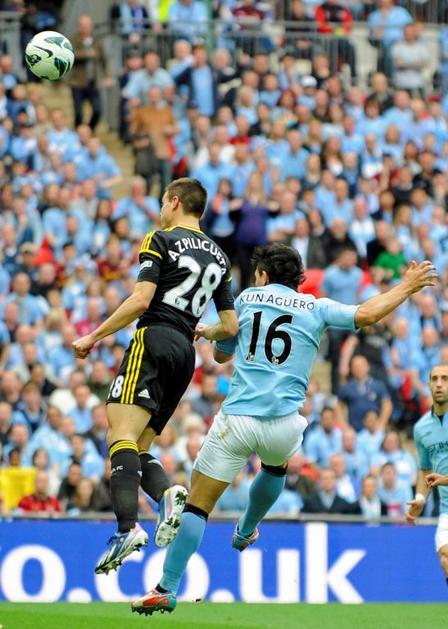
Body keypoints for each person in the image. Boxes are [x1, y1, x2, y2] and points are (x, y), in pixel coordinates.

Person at [131, 244, 437, 616]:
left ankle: (167, 587)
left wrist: (212, 333)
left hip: (238, 420)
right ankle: (246, 529)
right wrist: (406, 286)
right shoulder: (316, 307)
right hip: (283, 424)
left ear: (262, 274)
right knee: (276, 467)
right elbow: (367, 313)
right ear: (299, 280)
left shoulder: (246, 298)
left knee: (197, 505)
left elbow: (223, 354)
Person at [72, 177, 237, 575]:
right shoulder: (220, 257)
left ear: (175, 202)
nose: (162, 209)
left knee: (119, 435)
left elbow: (142, 299)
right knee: (139, 447)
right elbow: (230, 327)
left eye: (164, 202)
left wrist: (95, 335)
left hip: (154, 337)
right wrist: (204, 330)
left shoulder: (161, 239)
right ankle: (166, 496)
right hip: (185, 354)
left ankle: (127, 529)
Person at [406, 364, 448, 587]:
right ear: (429, 385)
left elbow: (437, 477)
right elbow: (424, 470)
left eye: (445, 379)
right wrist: (420, 499)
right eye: (435, 379)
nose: (440, 384)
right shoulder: (422, 428)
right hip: (447, 509)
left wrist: (444, 479)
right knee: (445, 557)